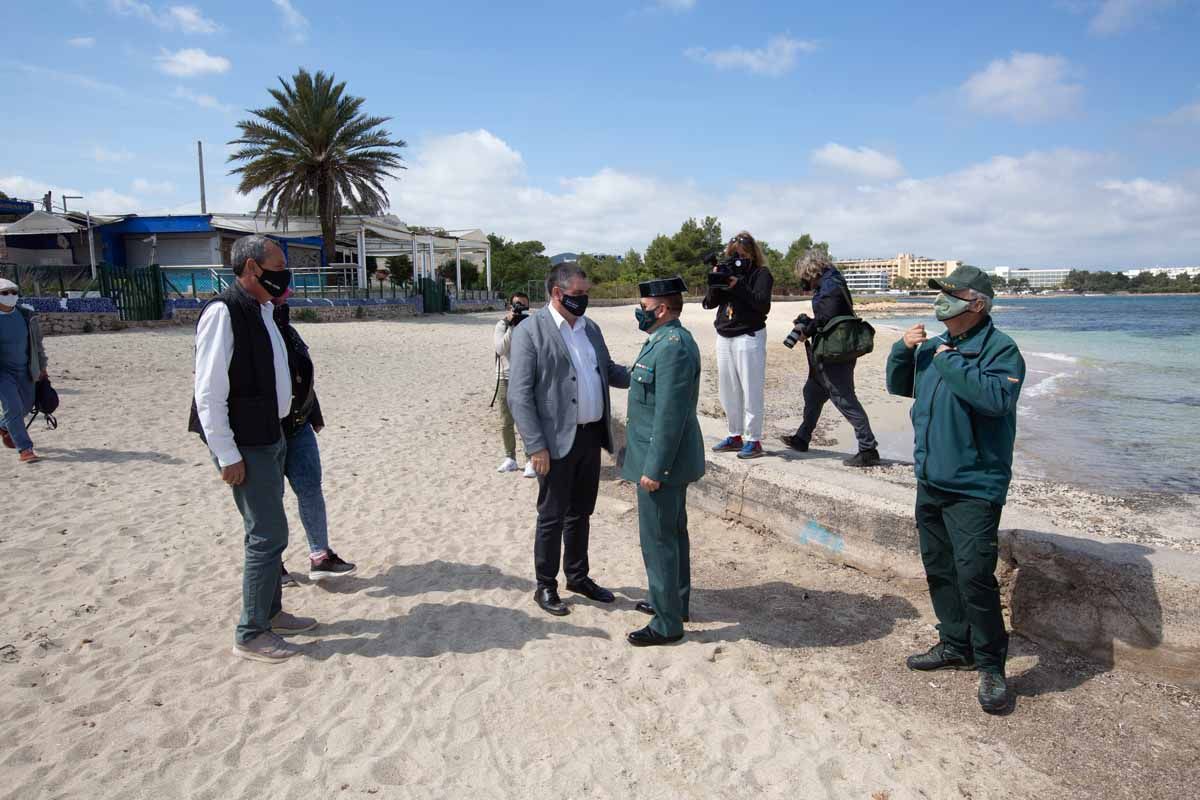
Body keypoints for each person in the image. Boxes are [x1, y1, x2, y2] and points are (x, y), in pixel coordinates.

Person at [884, 265, 1025, 714]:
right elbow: (899, 386)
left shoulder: (1000, 349)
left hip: (974, 485)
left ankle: (991, 667)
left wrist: (946, 357)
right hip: (931, 478)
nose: (941, 299)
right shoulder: (933, 348)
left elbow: (995, 399)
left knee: (975, 576)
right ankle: (954, 644)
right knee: (940, 568)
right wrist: (902, 352)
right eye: (941, 292)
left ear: (977, 303)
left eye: (952, 293)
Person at [189, 234, 317, 664]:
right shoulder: (224, 312)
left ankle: (271, 612)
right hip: (247, 444)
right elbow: (208, 392)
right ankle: (251, 631)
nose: (285, 274)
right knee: (267, 535)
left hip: (273, 434)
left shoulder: (265, 310)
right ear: (250, 269)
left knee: (270, 529)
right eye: (278, 265)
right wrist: (226, 454)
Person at [508, 262, 630, 616]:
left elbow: (607, 371)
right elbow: (519, 395)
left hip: (591, 436)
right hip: (554, 442)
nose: (584, 300)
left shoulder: (590, 329)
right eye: (578, 294)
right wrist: (535, 445)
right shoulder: (530, 331)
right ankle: (545, 585)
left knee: (581, 512)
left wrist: (645, 373)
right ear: (557, 293)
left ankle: (578, 576)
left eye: (586, 293)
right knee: (552, 515)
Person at [623, 277, 705, 647]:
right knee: (672, 533)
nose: (639, 312)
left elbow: (669, 416)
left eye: (644, 307)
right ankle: (672, 602)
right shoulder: (664, 340)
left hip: (662, 461)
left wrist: (654, 469)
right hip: (662, 456)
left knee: (658, 539)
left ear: (662, 309)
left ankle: (667, 623)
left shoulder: (672, 346)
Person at [272, 297, 356, 586]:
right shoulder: (247, 324)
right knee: (270, 499)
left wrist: (313, 414)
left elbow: (301, 377)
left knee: (310, 489)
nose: (289, 288)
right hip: (266, 432)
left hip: (299, 425)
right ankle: (272, 564)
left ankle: (320, 555)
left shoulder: (286, 327)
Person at [781, 249, 881, 467]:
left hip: (835, 354)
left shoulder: (830, 285)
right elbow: (827, 315)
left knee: (844, 398)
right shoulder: (831, 282)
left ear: (810, 271)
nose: (803, 281)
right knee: (813, 392)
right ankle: (802, 438)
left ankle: (868, 448)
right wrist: (810, 322)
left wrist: (807, 327)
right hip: (828, 352)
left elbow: (826, 316)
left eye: (804, 276)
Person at [703, 231, 773, 459]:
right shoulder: (727, 271)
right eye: (733, 254)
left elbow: (762, 305)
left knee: (751, 389)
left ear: (753, 254)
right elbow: (709, 303)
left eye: (742, 255)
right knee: (728, 390)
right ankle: (735, 435)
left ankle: (754, 439)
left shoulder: (761, 274)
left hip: (749, 335)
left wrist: (738, 286)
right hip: (725, 335)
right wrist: (716, 281)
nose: (737, 259)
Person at [0, 278, 47, 464]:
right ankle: (25, 449)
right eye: (4, 293)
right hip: (2, 372)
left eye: (14, 292)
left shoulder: (26, 316)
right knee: (13, 406)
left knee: (26, 406)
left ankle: (4, 426)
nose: (10, 296)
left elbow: (37, 345)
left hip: (26, 369)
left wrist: (42, 367)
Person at [493, 292, 536, 479]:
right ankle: (510, 457)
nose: (520, 309)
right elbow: (500, 349)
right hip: (505, 377)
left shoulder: (531, 324)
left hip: (525, 378)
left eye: (523, 306)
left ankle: (529, 460)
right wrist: (511, 326)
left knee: (526, 421)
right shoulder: (502, 325)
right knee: (505, 421)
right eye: (517, 305)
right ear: (510, 306)